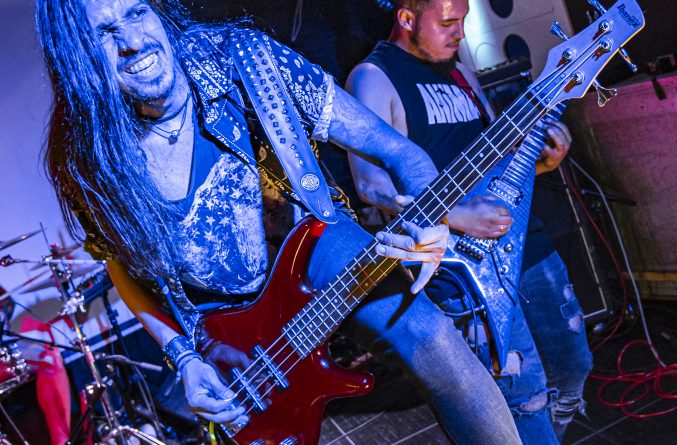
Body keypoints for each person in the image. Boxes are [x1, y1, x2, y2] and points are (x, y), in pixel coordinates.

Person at [34, 0, 524, 443]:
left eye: (138, 13)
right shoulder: (83, 156)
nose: (134, 42)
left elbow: (399, 152)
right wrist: (183, 359)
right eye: (104, 33)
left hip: (310, 245)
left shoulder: (245, 59)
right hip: (226, 337)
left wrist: (431, 215)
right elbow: (122, 266)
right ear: (75, 54)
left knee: (432, 339)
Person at [345, 0, 593, 442]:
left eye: (463, 20)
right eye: (447, 23)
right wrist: (457, 215)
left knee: (574, 367)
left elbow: (494, 166)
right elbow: (371, 185)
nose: (459, 33)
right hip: (462, 265)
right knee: (525, 397)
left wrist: (541, 165)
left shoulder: (462, 72)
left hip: (522, 239)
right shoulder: (373, 77)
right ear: (406, 19)